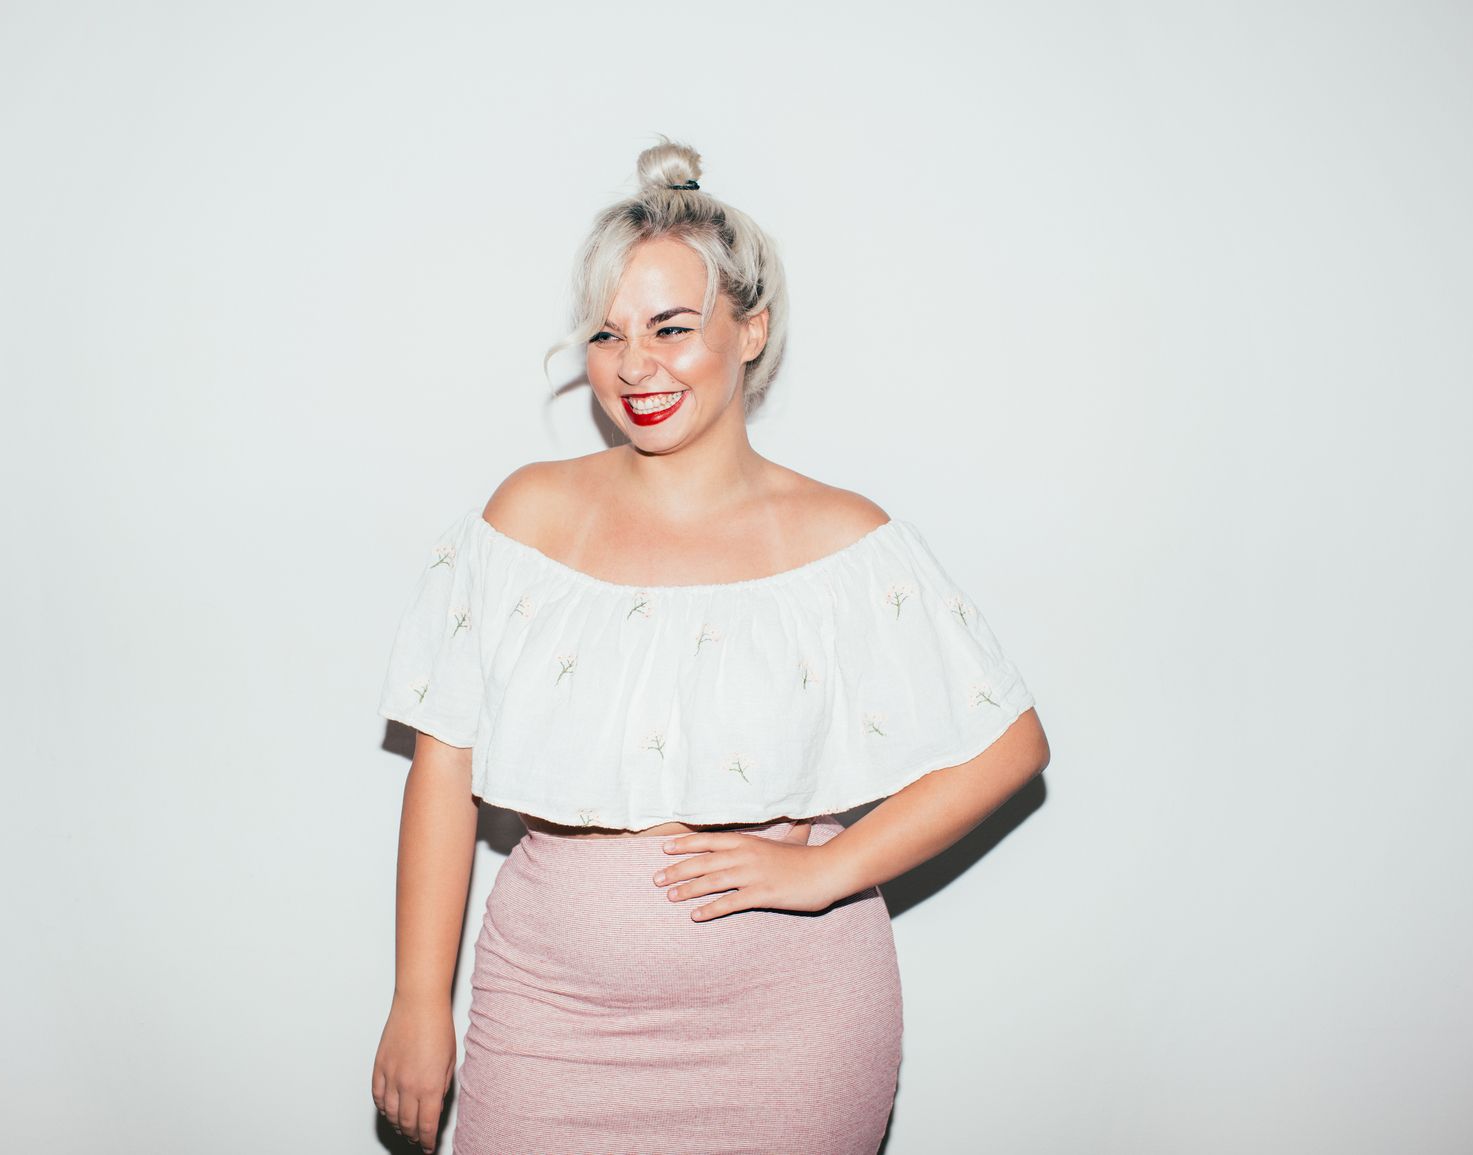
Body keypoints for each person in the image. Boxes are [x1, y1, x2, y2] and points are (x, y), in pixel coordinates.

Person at [370, 136, 1051, 1154]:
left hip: (791, 1036)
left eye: (671, 327)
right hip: (549, 1021)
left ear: (750, 330)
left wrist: (825, 871)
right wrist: (419, 1003)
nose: (633, 367)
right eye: (606, 336)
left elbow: (1010, 745)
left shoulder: (842, 542)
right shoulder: (524, 519)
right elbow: (444, 760)